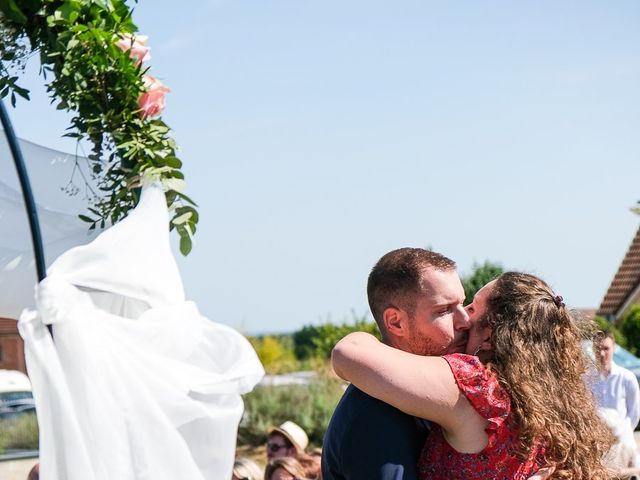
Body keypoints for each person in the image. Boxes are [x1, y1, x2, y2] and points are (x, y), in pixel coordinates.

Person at [332, 271, 613, 479]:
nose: (463, 319)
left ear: (490, 336)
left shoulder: (477, 386)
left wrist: (362, 336)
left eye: (471, 308)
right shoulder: (549, 399)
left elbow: (348, 353)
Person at [322, 248, 470, 480]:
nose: (465, 321)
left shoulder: (420, 390)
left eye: (463, 303)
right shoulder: (375, 417)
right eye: (444, 311)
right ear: (396, 322)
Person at [589, 330, 640, 467]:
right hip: (597, 445)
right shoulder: (587, 378)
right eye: (598, 348)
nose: (601, 353)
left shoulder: (627, 378)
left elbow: (634, 414)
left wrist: (623, 432)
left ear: (614, 348)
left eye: (606, 348)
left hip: (623, 443)